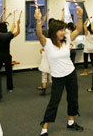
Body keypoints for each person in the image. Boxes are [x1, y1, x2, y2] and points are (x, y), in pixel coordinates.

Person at [35, 7, 84, 136]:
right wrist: (39, 21)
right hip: (58, 77)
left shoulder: (67, 39)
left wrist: (79, 17)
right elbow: (39, 34)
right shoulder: (48, 43)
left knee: (72, 98)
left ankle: (71, 122)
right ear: (54, 31)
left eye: (64, 30)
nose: (63, 32)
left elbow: (78, 29)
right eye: (60, 30)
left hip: (71, 73)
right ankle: (44, 129)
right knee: (54, 101)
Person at [0, 16, 21, 92]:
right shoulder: (8, 36)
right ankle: (10, 88)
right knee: (9, 73)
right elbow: (18, 32)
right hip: (7, 56)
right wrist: (18, 24)